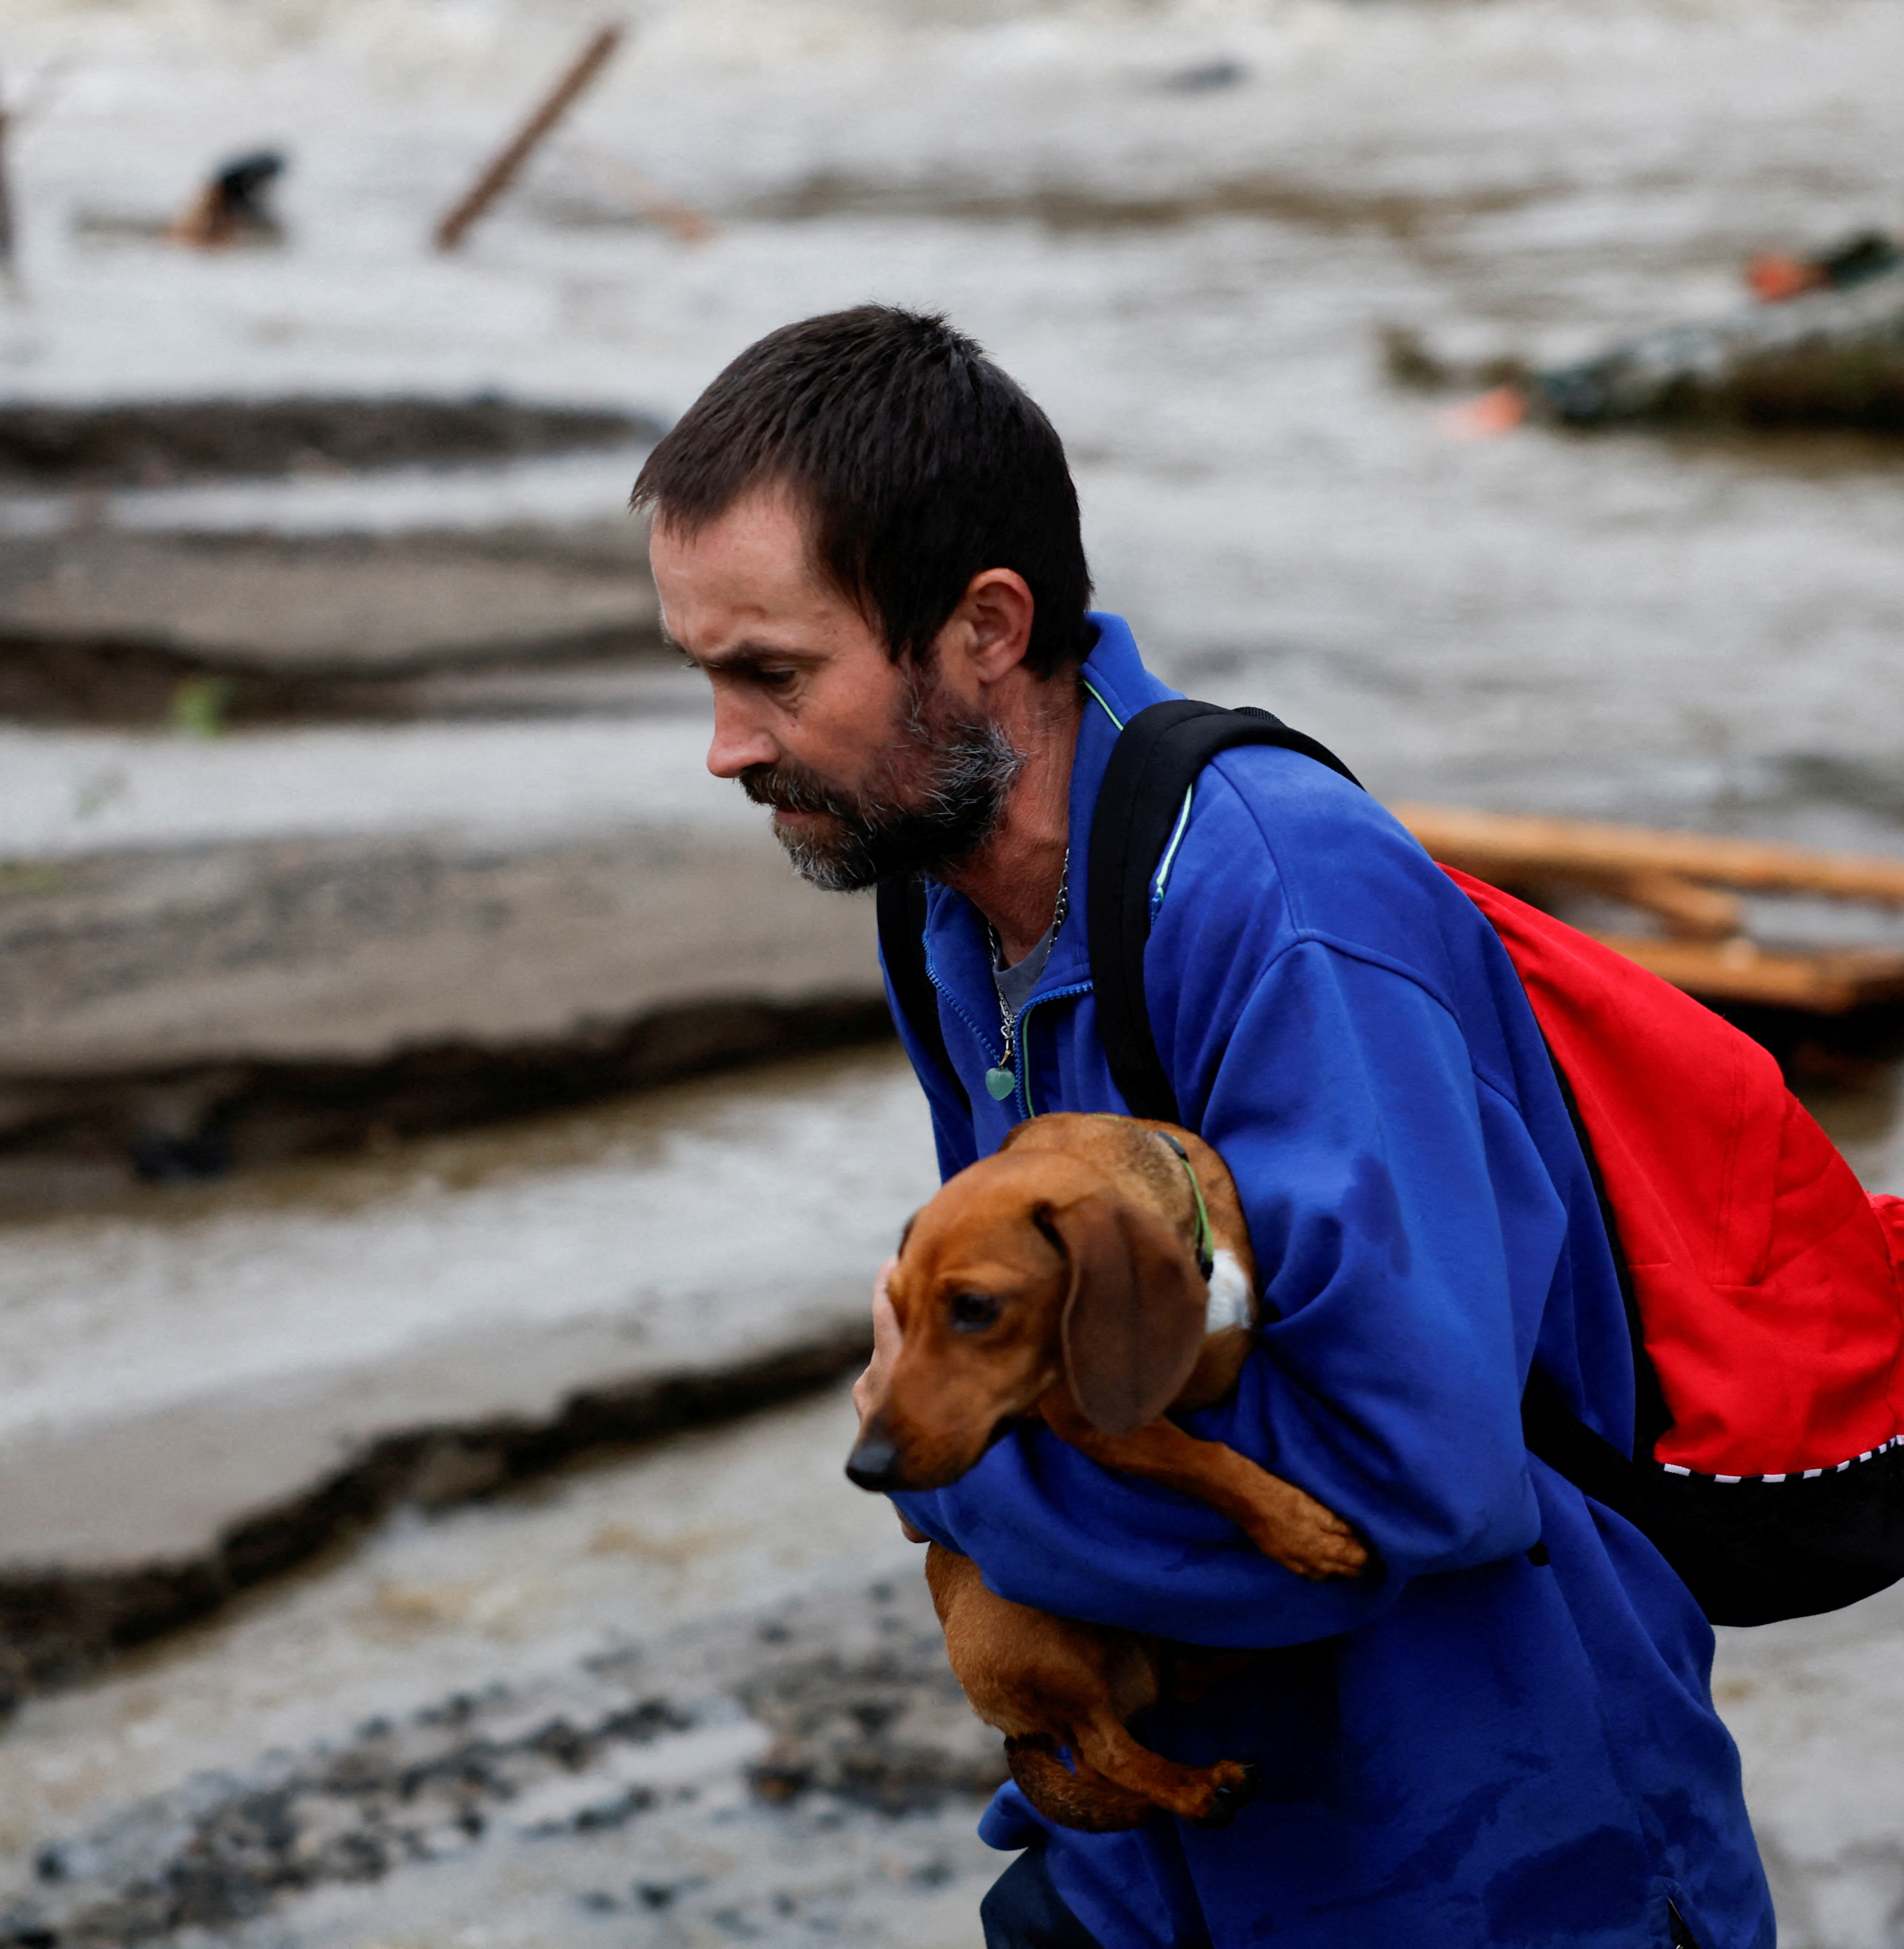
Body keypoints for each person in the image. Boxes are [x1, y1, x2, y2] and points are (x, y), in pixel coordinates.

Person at [636, 305, 1775, 1949]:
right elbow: (1073, 1350)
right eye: (706, 676)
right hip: (1179, 1855)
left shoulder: (1286, 904)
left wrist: (944, 1476)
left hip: (1497, 1859)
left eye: (773, 675)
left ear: (983, 628)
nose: (726, 746)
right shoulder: (943, 895)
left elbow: (1414, 1480)